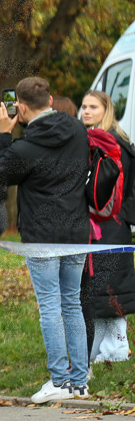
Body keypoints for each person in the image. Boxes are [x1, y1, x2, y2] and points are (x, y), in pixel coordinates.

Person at [0, 76, 90, 402]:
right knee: (72, 303)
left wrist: (4, 134)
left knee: (50, 306)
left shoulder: (23, 147)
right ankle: (79, 382)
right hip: (76, 230)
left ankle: (60, 381)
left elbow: (0, 176)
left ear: (19, 106)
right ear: (49, 101)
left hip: (42, 235)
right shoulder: (77, 129)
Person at [78, 91, 135, 362]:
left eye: (93, 107)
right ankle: (103, 349)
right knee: (101, 293)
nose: (86, 111)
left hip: (109, 225)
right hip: (110, 226)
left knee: (110, 292)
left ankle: (118, 349)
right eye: (83, 106)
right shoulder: (110, 140)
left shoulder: (108, 143)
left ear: (106, 109)